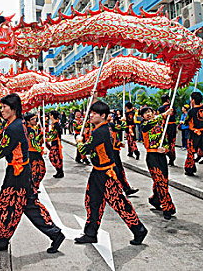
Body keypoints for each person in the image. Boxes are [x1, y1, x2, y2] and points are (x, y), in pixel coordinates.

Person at [0, 93, 65, 253]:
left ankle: (2, 240)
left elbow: (1, 151)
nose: (1, 110)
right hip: (21, 170)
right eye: (1, 107)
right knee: (30, 205)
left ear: (13, 109)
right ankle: (55, 233)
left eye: (4, 107)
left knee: (6, 206)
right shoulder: (17, 120)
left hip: (17, 174)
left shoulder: (13, 128)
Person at [75, 101, 148, 245]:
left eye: (94, 113)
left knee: (119, 203)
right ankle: (90, 233)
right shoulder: (104, 128)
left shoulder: (100, 131)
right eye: (91, 112)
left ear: (103, 116)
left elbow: (84, 150)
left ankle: (139, 229)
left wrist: (79, 141)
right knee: (92, 202)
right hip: (98, 172)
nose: (91, 115)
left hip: (106, 174)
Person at [140, 106, 176, 220]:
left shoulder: (160, 128)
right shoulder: (145, 126)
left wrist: (165, 149)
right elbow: (152, 122)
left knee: (162, 181)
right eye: (145, 113)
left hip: (161, 157)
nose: (148, 114)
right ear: (143, 117)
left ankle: (155, 199)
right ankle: (167, 207)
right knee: (160, 182)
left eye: (150, 112)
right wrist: (165, 114)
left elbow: (166, 143)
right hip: (152, 157)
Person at [107, 113, 139, 197]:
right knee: (117, 171)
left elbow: (112, 138)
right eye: (108, 114)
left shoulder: (108, 125)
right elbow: (123, 127)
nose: (110, 116)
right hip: (112, 152)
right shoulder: (110, 125)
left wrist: (118, 143)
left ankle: (125, 188)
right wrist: (124, 121)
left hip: (112, 151)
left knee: (116, 170)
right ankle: (124, 188)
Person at [25, 113, 46, 191]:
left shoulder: (28, 128)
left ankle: (33, 187)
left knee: (33, 170)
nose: (35, 120)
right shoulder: (30, 130)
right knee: (39, 170)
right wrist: (41, 150)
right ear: (28, 121)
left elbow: (35, 139)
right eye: (32, 119)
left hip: (29, 152)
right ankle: (33, 187)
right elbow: (34, 143)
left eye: (35, 118)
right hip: (33, 152)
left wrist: (41, 134)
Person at [158, 95, 177, 166]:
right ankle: (172, 157)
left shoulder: (160, 108)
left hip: (165, 126)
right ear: (168, 100)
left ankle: (168, 155)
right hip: (172, 126)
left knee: (164, 142)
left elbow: (160, 118)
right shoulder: (172, 106)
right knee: (172, 142)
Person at [47, 110, 64, 178]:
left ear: (52, 116)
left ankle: (60, 171)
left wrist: (47, 139)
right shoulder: (54, 124)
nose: (49, 116)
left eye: (50, 115)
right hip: (54, 142)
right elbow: (51, 133)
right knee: (54, 157)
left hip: (56, 143)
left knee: (55, 157)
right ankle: (59, 171)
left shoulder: (56, 125)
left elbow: (54, 135)